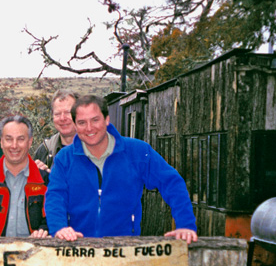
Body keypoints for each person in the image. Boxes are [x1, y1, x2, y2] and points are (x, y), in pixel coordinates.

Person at [45, 94, 198, 244]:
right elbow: (55, 196)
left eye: (95, 120)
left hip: (125, 248)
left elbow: (172, 182)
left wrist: (185, 224)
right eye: (82, 122)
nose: (89, 128)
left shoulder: (137, 151)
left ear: (106, 119)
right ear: (75, 125)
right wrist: (59, 228)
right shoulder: (64, 158)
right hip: (78, 247)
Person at [33, 89, 79, 171]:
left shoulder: (95, 148)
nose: (62, 118)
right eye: (57, 114)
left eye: (68, 112)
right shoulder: (45, 150)